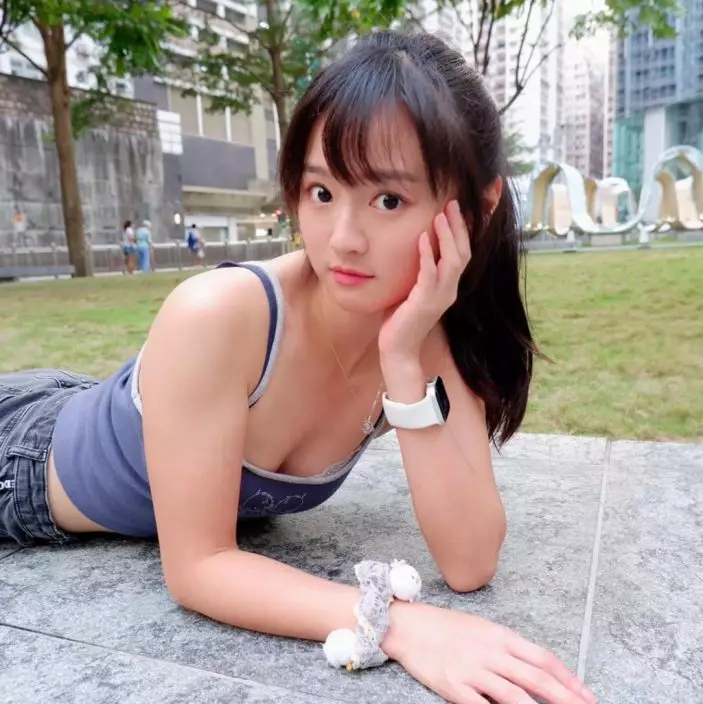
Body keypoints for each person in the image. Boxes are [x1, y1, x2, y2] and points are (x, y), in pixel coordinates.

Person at [0, 31, 595, 704]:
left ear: (475, 210)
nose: (343, 238)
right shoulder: (219, 314)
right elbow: (197, 568)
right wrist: (398, 624)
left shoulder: (426, 339)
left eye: (388, 200)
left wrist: (401, 359)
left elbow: (470, 560)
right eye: (321, 191)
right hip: (21, 458)